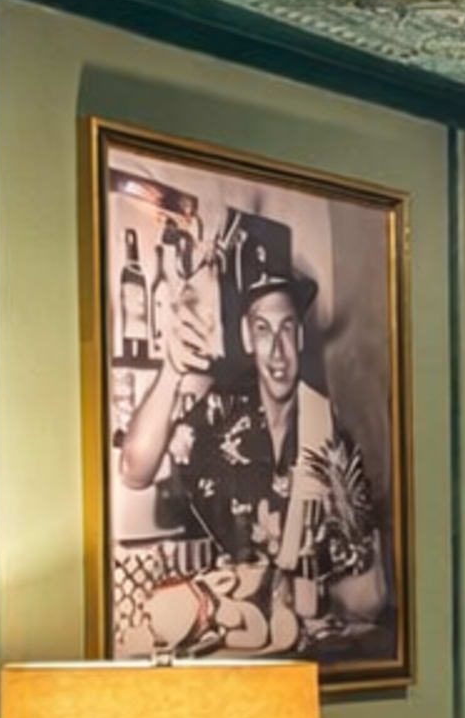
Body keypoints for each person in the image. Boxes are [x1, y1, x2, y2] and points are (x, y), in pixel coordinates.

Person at [114, 225, 388, 659]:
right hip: (231, 661)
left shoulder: (329, 435)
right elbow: (134, 470)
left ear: (299, 337)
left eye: (286, 330)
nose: (277, 352)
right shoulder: (218, 416)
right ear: (246, 338)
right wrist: (170, 370)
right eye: (263, 331)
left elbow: (369, 596)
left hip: (306, 662)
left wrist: (328, 586)